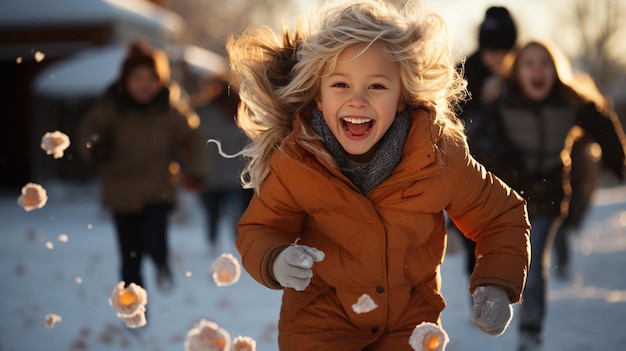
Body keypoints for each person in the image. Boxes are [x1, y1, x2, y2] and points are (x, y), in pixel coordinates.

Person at [226, 1, 531, 349]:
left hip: (409, 324)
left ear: (402, 97)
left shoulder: (436, 156)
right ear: (319, 98)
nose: (358, 100)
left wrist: (496, 282)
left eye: (376, 86)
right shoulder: (296, 160)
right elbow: (261, 228)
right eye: (340, 85)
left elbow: (501, 216)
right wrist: (275, 260)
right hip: (319, 322)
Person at [469, 40, 626, 351]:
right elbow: (480, 139)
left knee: (534, 263)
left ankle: (530, 332)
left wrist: (617, 161)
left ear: (555, 70)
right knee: (520, 259)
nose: (537, 70)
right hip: (512, 199)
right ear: (517, 71)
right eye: (529, 64)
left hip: (550, 198)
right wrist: (505, 160)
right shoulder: (504, 102)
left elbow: (603, 126)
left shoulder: (569, 102)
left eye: (544, 64)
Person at [77, 40, 211, 293]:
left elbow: (193, 138)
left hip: (158, 187)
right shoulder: (111, 107)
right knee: (130, 257)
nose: (144, 84)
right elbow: (89, 131)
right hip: (120, 190)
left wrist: (197, 171)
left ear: (159, 80)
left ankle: (161, 262)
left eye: (151, 78)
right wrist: (95, 146)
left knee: (154, 240)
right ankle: (133, 304)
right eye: (137, 78)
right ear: (125, 80)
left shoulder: (170, 109)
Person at [448, 5, 519, 279]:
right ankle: (478, 288)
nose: (498, 58)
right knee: (474, 241)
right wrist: (485, 103)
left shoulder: (524, 69)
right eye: (492, 51)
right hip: (473, 168)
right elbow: (450, 119)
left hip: (514, 169)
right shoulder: (464, 73)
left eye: (504, 52)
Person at [190, 74, 253, 254]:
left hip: (233, 175)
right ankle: (213, 243)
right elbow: (191, 142)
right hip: (211, 175)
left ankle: (239, 245)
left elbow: (250, 141)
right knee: (213, 214)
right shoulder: (200, 112)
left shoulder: (240, 109)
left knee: (237, 214)